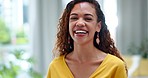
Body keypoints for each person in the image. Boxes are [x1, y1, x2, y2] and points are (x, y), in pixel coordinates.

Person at [47, 0, 127, 78]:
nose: (80, 23)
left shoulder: (116, 66)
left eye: (88, 18)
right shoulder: (55, 66)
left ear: (98, 26)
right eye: (74, 18)